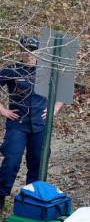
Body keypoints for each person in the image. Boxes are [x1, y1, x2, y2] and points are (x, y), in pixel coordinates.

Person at [0, 35, 64, 210]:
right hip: (17, 125)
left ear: (39, 51)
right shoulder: (11, 70)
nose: (29, 53)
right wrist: (3, 110)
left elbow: (63, 90)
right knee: (11, 161)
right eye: (25, 49)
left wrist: (54, 110)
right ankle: (1, 197)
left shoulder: (47, 71)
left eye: (33, 49)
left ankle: (31, 202)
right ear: (20, 51)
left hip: (40, 126)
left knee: (37, 163)